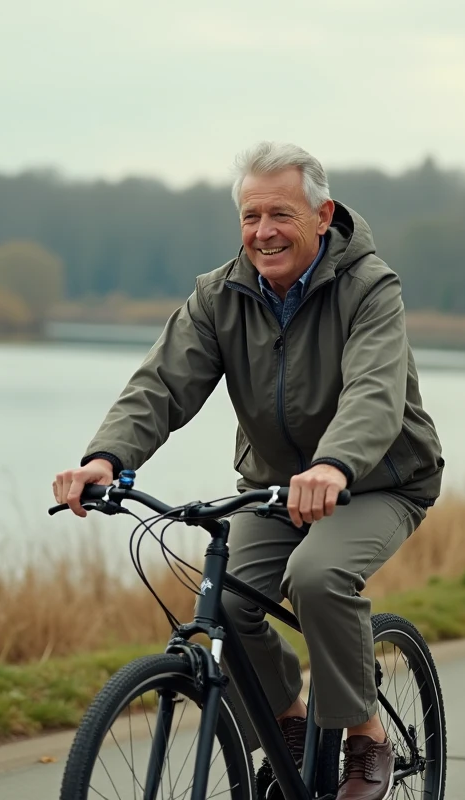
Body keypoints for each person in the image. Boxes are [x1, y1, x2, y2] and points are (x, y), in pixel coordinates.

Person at [52, 141, 443, 800]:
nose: (264, 232)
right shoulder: (220, 295)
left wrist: (334, 465)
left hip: (379, 480)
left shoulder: (370, 288)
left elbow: (374, 396)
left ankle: (365, 732)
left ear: (323, 215)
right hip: (274, 491)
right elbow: (161, 385)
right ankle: (289, 719)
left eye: (281, 215)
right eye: (251, 216)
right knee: (228, 601)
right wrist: (105, 458)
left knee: (317, 576)